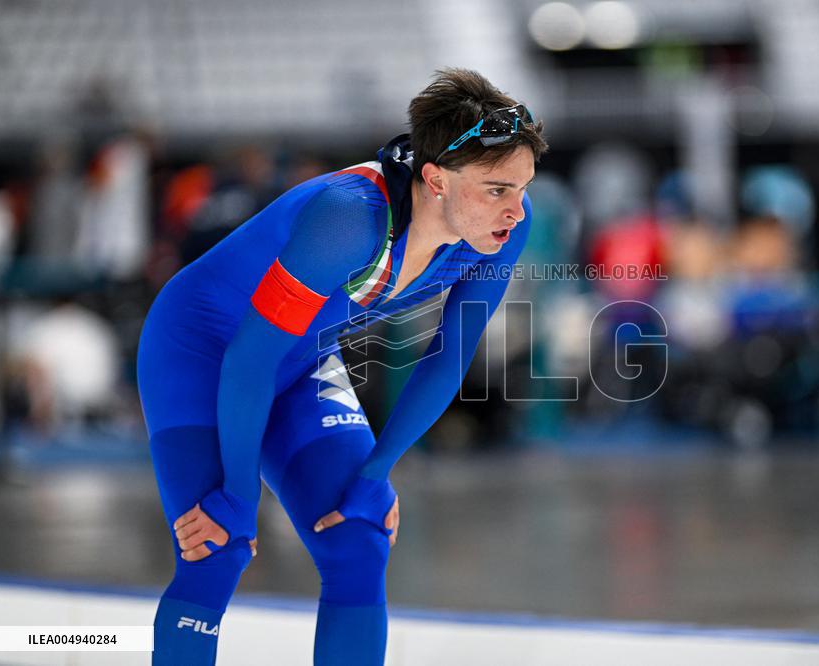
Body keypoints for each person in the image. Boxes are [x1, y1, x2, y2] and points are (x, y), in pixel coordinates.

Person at [137, 68, 547, 665]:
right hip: (201, 353)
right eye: (496, 190)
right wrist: (238, 494)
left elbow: (450, 353)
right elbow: (248, 361)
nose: (515, 210)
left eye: (522, 187)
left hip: (297, 359)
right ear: (434, 179)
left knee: (359, 537)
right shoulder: (348, 217)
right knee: (218, 547)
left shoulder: (505, 226)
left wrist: (376, 474)